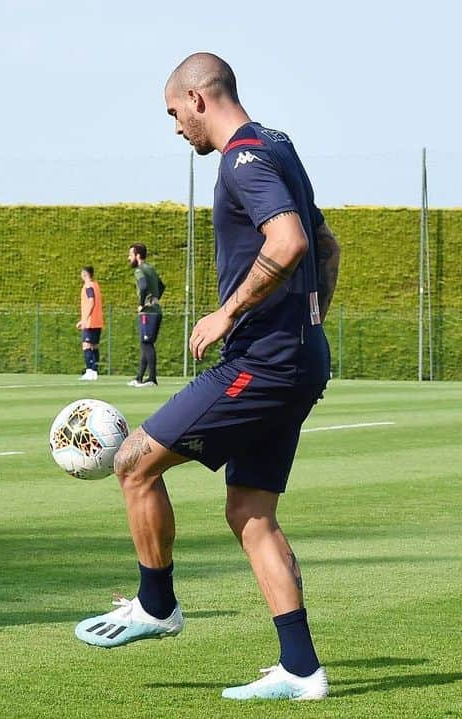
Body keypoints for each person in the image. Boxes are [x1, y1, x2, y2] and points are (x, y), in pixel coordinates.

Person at [74, 54, 340, 701]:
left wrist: (228, 311)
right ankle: (301, 669)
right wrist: (310, 327)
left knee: (134, 462)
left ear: (197, 98)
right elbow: (327, 245)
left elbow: (290, 241)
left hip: (261, 363)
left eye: (172, 113)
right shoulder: (279, 145)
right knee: (251, 512)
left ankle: (156, 602)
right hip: (297, 357)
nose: (174, 128)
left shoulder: (242, 160)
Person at [127, 243, 165, 387]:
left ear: (137, 256)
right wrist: (155, 299)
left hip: (148, 312)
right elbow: (162, 286)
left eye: (130, 255)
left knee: (147, 344)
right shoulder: (151, 269)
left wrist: (143, 303)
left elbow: (142, 286)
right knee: (145, 344)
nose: (128, 258)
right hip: (156, 310)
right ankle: (139, 377)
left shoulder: (139, 270)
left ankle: (152, 378)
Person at [76, 266, 104, 380]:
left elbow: (91, 301)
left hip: (90, 322)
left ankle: (89, 370)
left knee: (86, 345)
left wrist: (84, 319)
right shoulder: (96, 285)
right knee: (94, 346)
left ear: (84, 274)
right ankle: (94, 371)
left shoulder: (88, 286)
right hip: (98, 321)